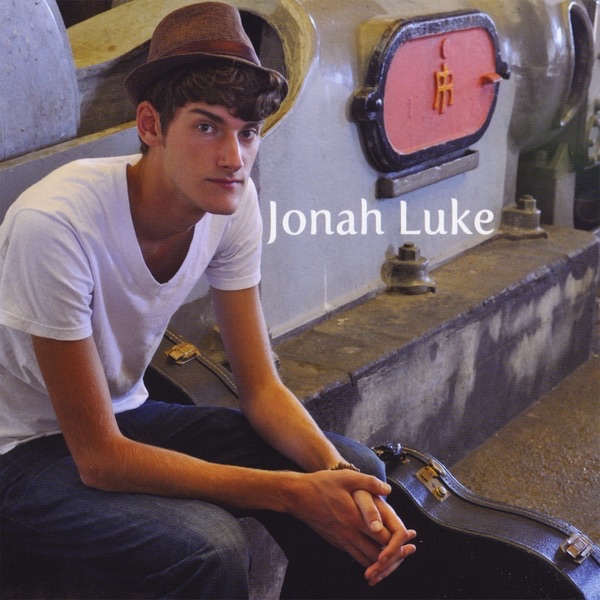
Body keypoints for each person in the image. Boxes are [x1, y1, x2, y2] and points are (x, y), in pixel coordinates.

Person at [0, 2, 416, 598]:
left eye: (247, 132)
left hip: (124, 416)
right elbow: (100, 458)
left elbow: (261, 389)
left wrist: (337, 475)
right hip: (22, 450)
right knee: (209, 545)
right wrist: (292, 492)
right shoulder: (56, 223)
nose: (232, 157)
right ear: (150, 125)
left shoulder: (231, 202)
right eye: (206, 127)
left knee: (362, 477)